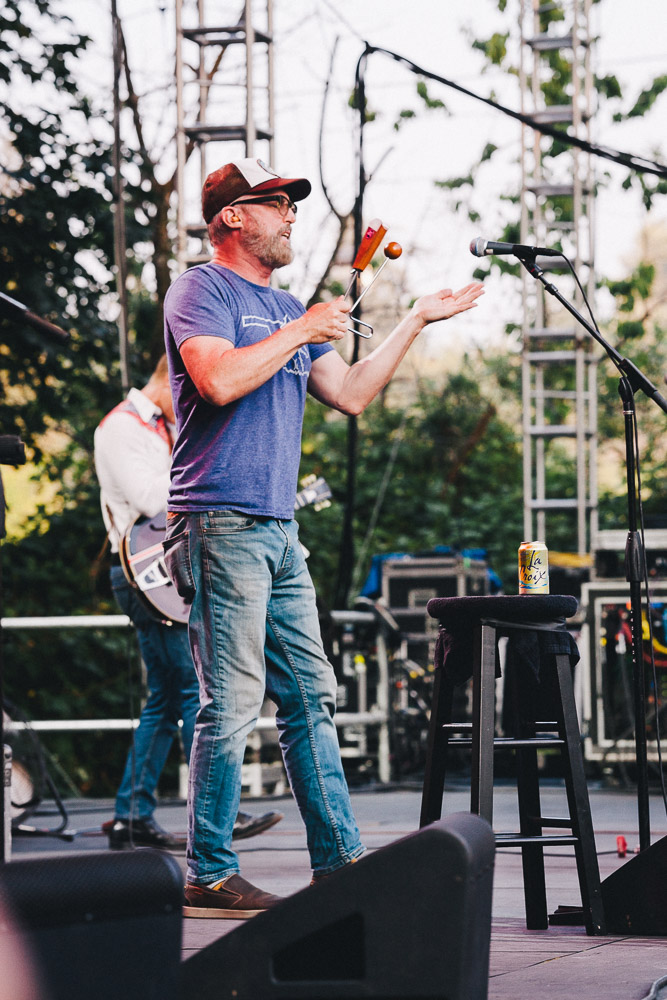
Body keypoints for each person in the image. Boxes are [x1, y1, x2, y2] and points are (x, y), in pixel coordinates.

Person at [162, 156, 484, 917]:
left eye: (290, 205)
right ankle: (207, 872)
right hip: (219, 518)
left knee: (311, 694)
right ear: (233, 218)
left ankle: (341, 867)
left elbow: (350, 394)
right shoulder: (200, 289)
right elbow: (216, 381)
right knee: (232, 701)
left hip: (277, 528)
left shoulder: (286, 309)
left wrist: (413, 320)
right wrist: (304, 325)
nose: (290, 216)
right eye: (275, 204)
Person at [94, 355, 283, 850]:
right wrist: (208, 465)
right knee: (185, 693)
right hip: (143, 575)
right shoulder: (122, 427)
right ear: (168, 381)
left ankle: (133, 813)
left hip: (164, 573)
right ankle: (214, 812)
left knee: (168, 696)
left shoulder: (160, 427)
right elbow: (150, 499)